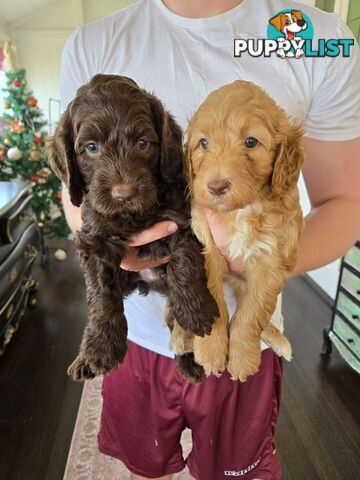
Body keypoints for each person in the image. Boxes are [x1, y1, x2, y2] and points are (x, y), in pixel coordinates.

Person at [59, 1, 360, 479]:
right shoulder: (92, 42)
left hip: (246, 332)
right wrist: (119, 250)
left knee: (233, 470)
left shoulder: (321, 37)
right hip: (138, 335)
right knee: (144, 466)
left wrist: (256, 265)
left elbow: (345, 201)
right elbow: (75, 193)